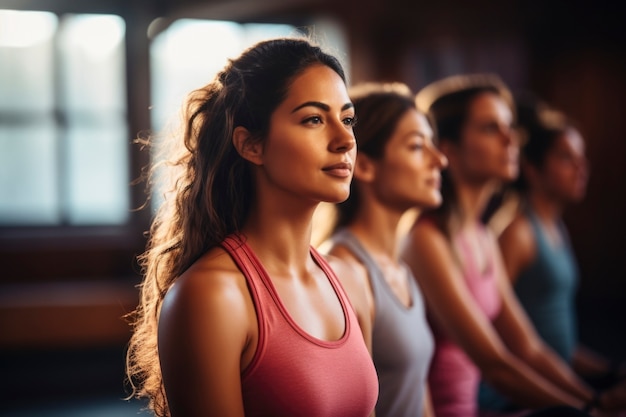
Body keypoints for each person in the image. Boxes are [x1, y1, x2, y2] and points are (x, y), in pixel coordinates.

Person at [124, 37, 379, 417]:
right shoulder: (211, 295)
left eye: (346, 119)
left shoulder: (349, 278)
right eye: (313, 119)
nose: (345, 141)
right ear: (250, 145)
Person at [401, 73, 615, 417]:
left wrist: (595, 401)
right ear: (449, 149)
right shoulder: (427, 238)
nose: (510, 138)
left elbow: (528, 347)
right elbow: (495, 364)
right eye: (490, 128)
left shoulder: (481, 236)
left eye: (509, 126)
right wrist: (589, 411)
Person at [479, 95, 626, 414]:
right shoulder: (517, 232)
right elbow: (502, 336)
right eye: (566, 158)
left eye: (581, 158)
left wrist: (610, 372)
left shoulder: (557, 227)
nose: (581, 167)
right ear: (532, 169)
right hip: (521, 391)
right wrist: (592, 402)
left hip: (558, 378)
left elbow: (560, 341)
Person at [321, 82, 447, 417]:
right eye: (417, 146)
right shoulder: (343, 270)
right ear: (363, 165)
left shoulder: (402, 268)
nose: (440, 160)